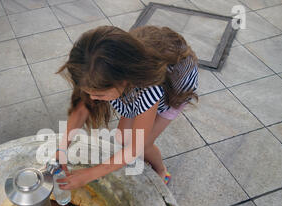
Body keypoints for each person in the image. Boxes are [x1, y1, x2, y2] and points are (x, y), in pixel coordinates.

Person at [54, 25, 199, 190]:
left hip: (174, 90)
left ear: (123, 80)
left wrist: (89, 174)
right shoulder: (92, 70)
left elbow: (136, 146)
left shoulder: (149, 90)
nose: (93, 99)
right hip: (138, 85)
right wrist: (62, 150)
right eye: (89, 92)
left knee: (143, 145)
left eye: (100, 95)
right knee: (122, 138)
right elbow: (81, 110)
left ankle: (162, 171)